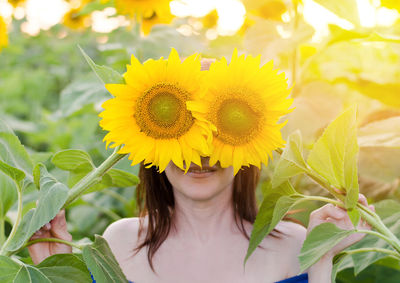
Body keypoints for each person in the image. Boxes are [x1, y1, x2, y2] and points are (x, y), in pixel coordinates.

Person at [28, 159, 374, 283]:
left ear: (246, 148)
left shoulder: (294, 243)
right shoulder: (120, 242)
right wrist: (51, 268)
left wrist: (322, 255)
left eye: (219, 134)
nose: (200, 156)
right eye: (183, 133)